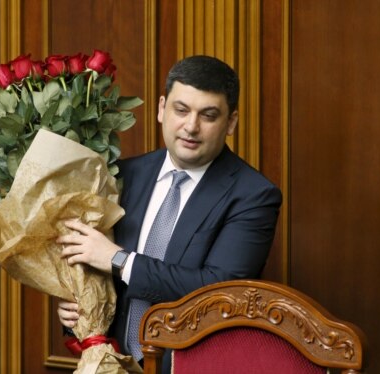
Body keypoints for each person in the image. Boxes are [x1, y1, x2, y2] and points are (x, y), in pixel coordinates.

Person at [57, 55, 282, 373]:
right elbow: (97, 274)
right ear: (162, 108)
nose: (191, 126)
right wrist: (76, 308)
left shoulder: (254, 196)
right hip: (110, 362)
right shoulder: (122, 174)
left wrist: (118, 260)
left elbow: (218, 292)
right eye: (181, 110)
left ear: (230, 123)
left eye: (208, 115)